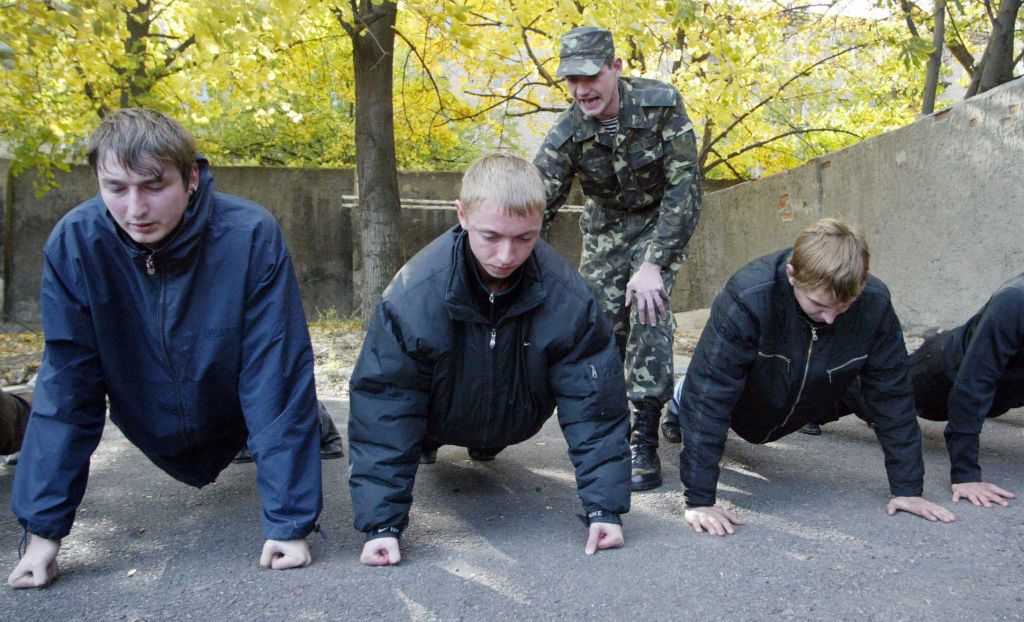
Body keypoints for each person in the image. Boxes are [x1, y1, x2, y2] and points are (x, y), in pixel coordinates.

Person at [7, 109, 340, 589]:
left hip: (231, 395)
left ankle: (320, 425)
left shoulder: (249, 235)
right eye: (116, 188)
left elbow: (275, 373)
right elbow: (68, 386)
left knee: (291, 403)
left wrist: (289, 524)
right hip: (145, 404)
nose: (135, 209)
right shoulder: (77, 243)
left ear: (191, 179)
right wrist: (42, 535)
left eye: (153, 186)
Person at [348, 154, 631, 566]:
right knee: (405, 412)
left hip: (516, 416)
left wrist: (605, 509)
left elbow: (594, 404)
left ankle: (487, 441)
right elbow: (385, 404)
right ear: (461, 215)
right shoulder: (412, 297)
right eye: (491, 236)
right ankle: (430, 444)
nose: (506, 255)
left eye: (525, 238)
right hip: (438, 414)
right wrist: (382, 525)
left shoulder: (567, 296)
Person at [672, 218, 955, 535]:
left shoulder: (874, 303)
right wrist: (699, 500)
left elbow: (892, 395)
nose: (832, 317)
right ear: (792, 274)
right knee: (699, 392)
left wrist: (908, 489)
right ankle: (677, 397)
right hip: (747, 390)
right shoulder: (749, 295)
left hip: (804, 388)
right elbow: (710, 395)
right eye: (819, 305)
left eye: (844, 306)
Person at [534, 26, 702, 491]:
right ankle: (608, 425)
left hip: (658, 223)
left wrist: (654, 264)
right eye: (571, 80)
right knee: (600, 324)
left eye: (590, 76)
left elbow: (685, 189)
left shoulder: (661, 104)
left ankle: (644, 435)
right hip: (606, 230)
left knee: (647, 308)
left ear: (615, 68)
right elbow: (536, 202)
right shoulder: (567, 132)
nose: (582, 89)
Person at [862, 274, 1024, 508]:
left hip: (1002, 390)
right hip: (943, 372)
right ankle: (825, 397)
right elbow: (973, 384)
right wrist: (965, 475)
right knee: (883, 399)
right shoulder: (1013, 302)